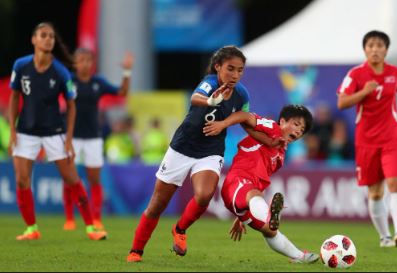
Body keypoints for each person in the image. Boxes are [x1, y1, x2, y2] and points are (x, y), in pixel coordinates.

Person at [126, 45, 275, 262]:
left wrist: (269, 141)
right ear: (218, 67)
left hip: (210, 151)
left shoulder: (242, 94)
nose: (235, 75)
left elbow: (246, 122)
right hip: (182, 147)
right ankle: (136, 250)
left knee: (205, 195)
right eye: (230, 69)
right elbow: (195, 97)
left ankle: (180, 229)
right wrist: (211, 101)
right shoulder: (211, 83)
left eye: (240, 70)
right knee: (157, 204)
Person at [8, 22, 107, 240]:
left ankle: (91, 227)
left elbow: (71, 106)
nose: (48, 39)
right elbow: (14, 98)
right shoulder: (20, 66)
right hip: (25, 132)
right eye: (43, 35)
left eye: (51, 36)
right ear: (34, 39)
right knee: (22, 180)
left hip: (54, 132)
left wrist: (69, 138)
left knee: (72, 179)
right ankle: (31, 229)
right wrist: (12, 132)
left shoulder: (61, 71)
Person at [336, 30, 397, 247]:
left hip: (392, 139)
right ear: (365, 49)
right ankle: (384, 236)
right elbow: (342, 103)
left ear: (386, 50)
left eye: (379, 45)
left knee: (396, 183)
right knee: (375, 192)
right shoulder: (356, 74)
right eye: (370, 45)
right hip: (366, 141)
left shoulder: (395, 73)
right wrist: (364, 92)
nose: (375, 49)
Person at [202, 104, 318, 263]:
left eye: (302, 130)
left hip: (246, 196)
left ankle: (299, 256)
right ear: (282, 121)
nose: (298, 131)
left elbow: (259, 185)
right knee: (258, 202)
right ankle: (269, 214)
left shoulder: (280, 157)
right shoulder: (272, 128)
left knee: (270, 231)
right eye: (296, 124)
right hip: (237, 181)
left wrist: (241, 216)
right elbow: (244, 116)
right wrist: (222, 124)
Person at [62, 48, 134, 231]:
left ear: (92, 63)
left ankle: (96, 218)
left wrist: (126, 72)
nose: (85, 63)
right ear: (75, 63)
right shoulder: (68, 80)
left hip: (94, 137)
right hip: (72, 137)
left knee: (94, 180)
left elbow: (122, 92)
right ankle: (69, 219)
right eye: (81, 60)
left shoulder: (98, 82)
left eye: (88, 60)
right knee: (70, 179)